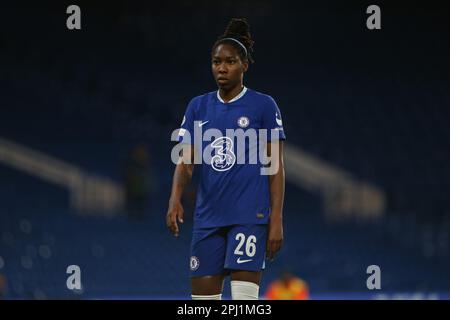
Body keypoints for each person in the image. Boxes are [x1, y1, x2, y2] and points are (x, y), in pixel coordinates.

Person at [166, 18, 286, 300]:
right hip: (208, 219)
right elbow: (186, 161)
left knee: (244, 303)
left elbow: (276, 166)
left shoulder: (263, 105)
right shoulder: (198, 106)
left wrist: (276, 218)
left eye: (230, 62)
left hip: (249, 216)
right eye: (216, 61)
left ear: (244, 65)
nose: (221, 67)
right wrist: (175, 197)